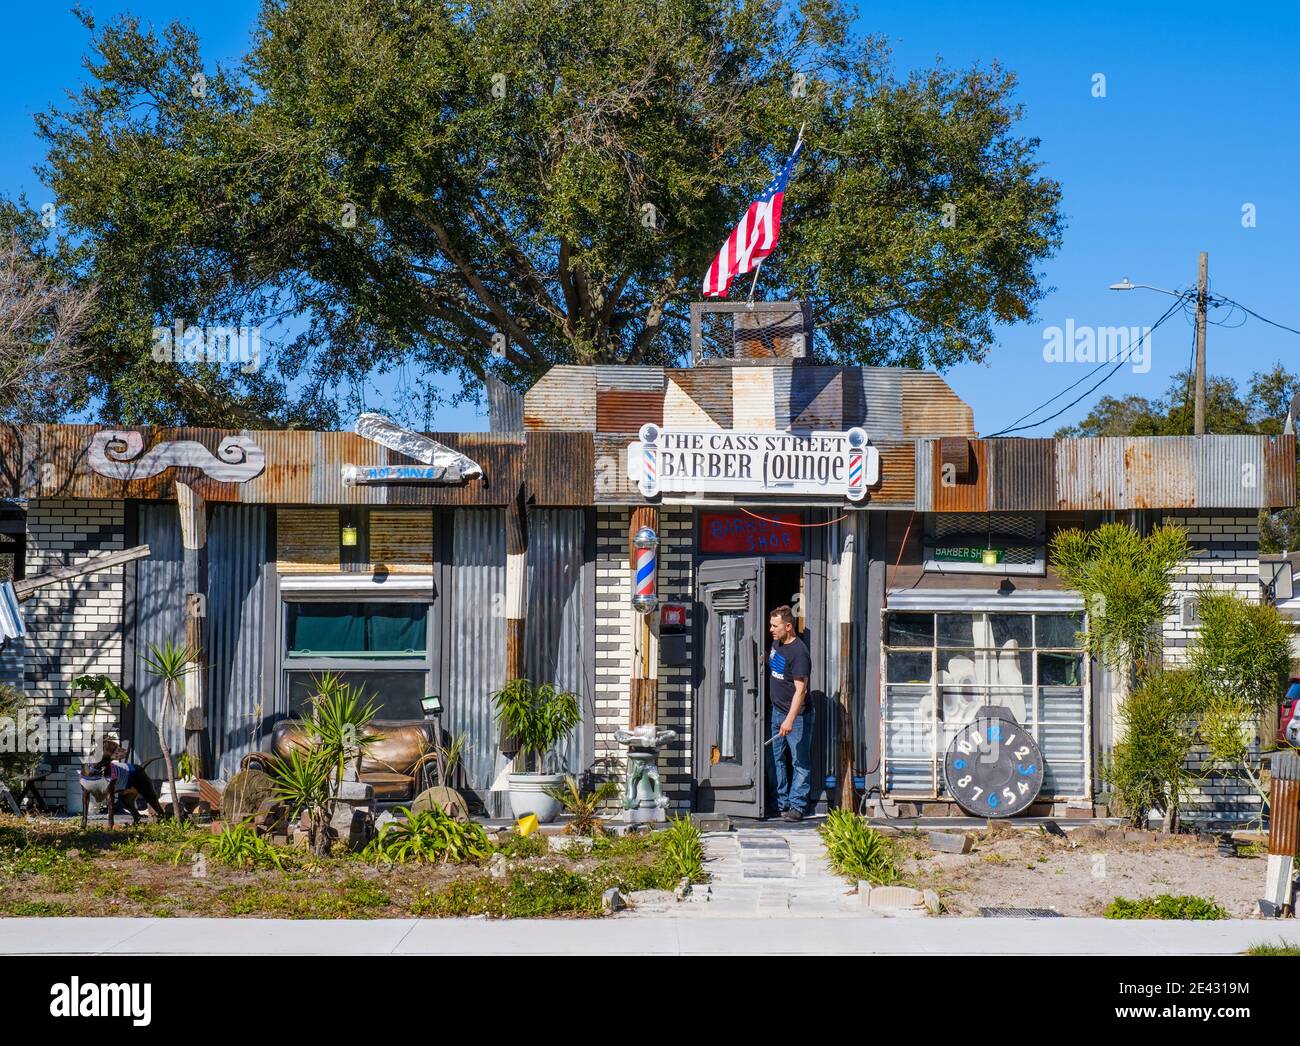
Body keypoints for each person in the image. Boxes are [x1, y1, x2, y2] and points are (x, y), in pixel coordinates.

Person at [767, 604, 812, 821]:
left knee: (799, 761)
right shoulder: (777, 643)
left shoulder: (799, 652)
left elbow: (801, 690)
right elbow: (777, 668)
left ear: (788, 626)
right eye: (770, 625)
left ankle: (797, 806)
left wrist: (790, 720)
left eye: (775, 626)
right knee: (775, 758)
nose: (771, 630)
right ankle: (781, 802)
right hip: (776, 711)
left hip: (796, 716)